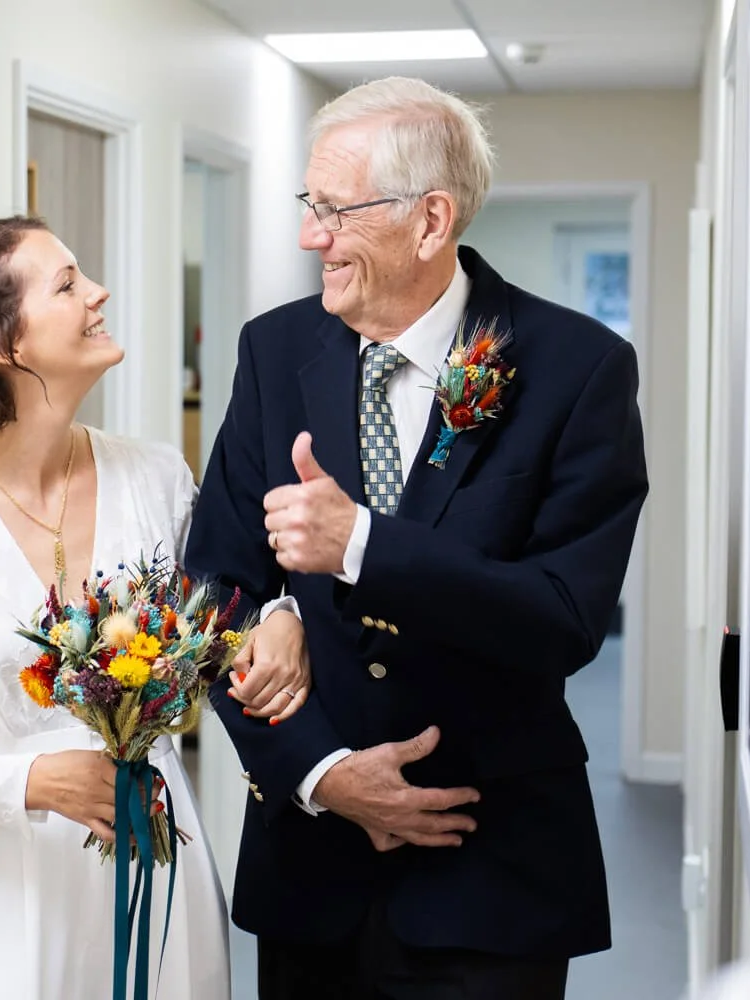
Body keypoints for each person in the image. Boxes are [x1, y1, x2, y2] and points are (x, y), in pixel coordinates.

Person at [188, 77, 650, 999]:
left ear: (431, 220)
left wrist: (362, 545)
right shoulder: (273, 352)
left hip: (490, 872)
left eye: (333, 210)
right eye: (307, 206)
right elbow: (213, 590)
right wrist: (319, 772)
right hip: (310, 872)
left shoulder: (577, 368)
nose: (309, 236)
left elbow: (564, 620)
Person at [0, 216, 301, 998]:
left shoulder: (157, 478)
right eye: (67, 284)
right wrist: (30, 783)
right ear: (1, 344)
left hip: (159, 888)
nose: (99, 293)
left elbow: (229, 611)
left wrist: (282, 615)